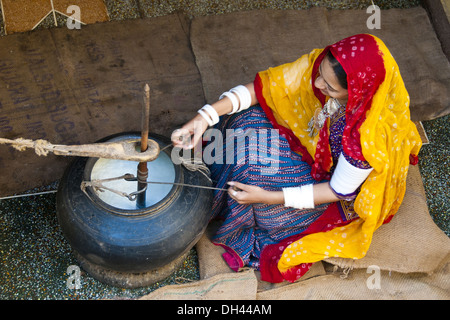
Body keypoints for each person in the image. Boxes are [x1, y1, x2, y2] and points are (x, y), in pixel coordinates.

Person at [171, 34, 422, 283]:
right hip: (309, 143)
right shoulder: (321, 68)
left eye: (330, 87)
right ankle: (223, 189)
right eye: (321, 73)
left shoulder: (367, 137)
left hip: (331, 189)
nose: (319, 83)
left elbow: (337, 190)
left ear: (356, 92)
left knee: (262, 200)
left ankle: (236, 204)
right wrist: (204, 117)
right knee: (242, 121)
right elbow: (265, 88)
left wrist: (268, 197)